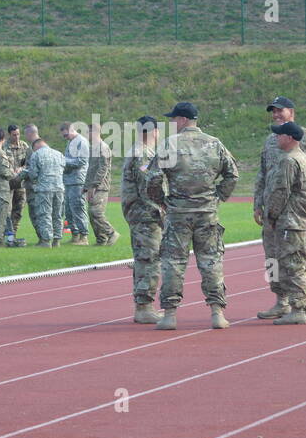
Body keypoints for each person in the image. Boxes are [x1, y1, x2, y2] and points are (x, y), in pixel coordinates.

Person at [146, 102, 238, 330]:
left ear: (182, 120)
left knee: (173, 264)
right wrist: (217, 197)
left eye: (173, 120)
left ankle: (169, 314)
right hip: (207, 213)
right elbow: (232, 175)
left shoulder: (170, 144)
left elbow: (153, 178)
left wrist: (162, 201)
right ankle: (217, 313)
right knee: (211, 262)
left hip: (178, 213)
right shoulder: (214, 143)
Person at [255, 96, 306, 320]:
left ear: (292, 112)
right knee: (272, 257)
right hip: (272, 211)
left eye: (280, 111)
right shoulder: (271, 140)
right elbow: (263, 173)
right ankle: (281, 299)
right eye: (273, 112)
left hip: (295, 211)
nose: (276, 115)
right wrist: (258, 203)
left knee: (302, 256)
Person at [258, 122, 306, 325]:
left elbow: (280, 192)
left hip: (290, 222)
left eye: (280, 135)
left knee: (293, 265)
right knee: (299, 263)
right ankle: (300, 305)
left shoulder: (289, 161)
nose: (276, 138)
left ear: (290, 138)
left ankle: (298, 309)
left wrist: (271, 216)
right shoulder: (302, 157)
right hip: (300, 221)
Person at [122, 116, 164, 323]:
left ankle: (144, 304)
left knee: (145, 259)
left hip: (142, 214)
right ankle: (144, 306)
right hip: (146, 215)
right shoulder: (142, 154)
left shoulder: (140, 151)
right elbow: (148, 188)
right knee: (149, 259)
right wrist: (162, 210)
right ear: (154, 132)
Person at [21, 137, 66, 247]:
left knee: (44, 214)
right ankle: (57, 240)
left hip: (44, 189)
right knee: (57, 215)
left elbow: (33, 174)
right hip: (59, 189)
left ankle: (46, 241)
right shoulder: (59, 154)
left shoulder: (36, 155)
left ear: (35, 147)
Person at [85, 121, 120, 245]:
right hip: (92, 186)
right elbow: (90, 169)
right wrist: (86, 187)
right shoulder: (92, 148)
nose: (86, 135)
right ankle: (101, 239)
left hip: (100, 186)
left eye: (87, 132)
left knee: (96, 212)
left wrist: (94, 185)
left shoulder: (103, 147)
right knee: (91, 213)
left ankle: (111, 233)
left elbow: (103, 168)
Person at [61, 121, 90, 244]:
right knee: (68, 210)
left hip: (78, 180)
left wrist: (64, 161)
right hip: (69, 180)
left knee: (78, 208)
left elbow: (82, 161)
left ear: (72, 130)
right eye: (64, 136)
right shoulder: (71, 142)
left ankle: (84, 236)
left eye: (66, 135)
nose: (65, 138)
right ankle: (75, 235)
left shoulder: (81, 142)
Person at [5, 123, 31, 238]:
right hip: (9, 183)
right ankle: (7, 233)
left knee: (19, 209)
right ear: (9, 134)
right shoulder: (4, 147)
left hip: (21, 183)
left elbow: (29, 162)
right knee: (7, 210)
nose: (17, 137)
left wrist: (22, 168)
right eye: (14, 135)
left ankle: (13, 233)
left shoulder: (24, 146)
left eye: (18, 134)